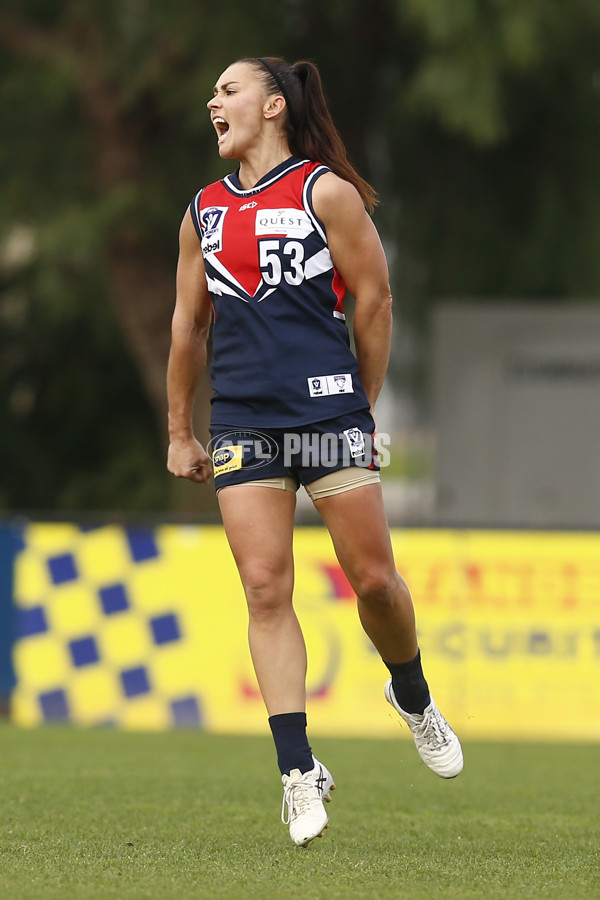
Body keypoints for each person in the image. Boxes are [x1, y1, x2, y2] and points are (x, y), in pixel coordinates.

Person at [167, 55, 463, 848]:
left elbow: (376, 299)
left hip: (328, 414)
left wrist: (359, 405)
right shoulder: (202, 211)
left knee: (374, 583)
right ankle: (299, 772)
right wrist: (179, 429)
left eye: (227, 91)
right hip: (242, 424)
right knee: (265, 589)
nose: (213, 102)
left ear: (272, 105)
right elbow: (187, 328)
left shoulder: (322, 192)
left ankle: (412, 694)